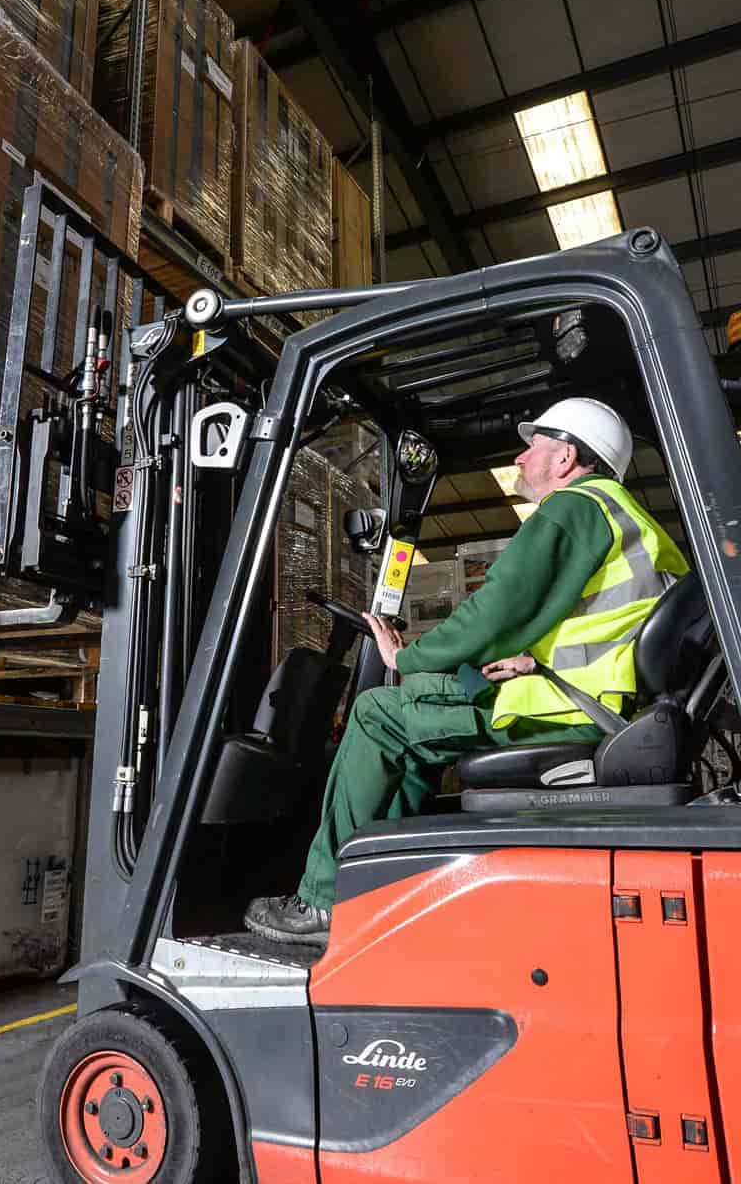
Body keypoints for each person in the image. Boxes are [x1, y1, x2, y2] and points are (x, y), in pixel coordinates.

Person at [244, 397, 690, 947]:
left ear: (566, 457)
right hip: (591, 700)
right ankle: (385, 888)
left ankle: (322, 899)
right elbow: (607, 624)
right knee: (423, 705)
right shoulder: (627, 516)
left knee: (377, 712)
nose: (522, 460)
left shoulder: (573, 509)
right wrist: (529, 660)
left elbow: (498, 609)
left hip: (570, 711)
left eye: (534, 447)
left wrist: (405, 657)